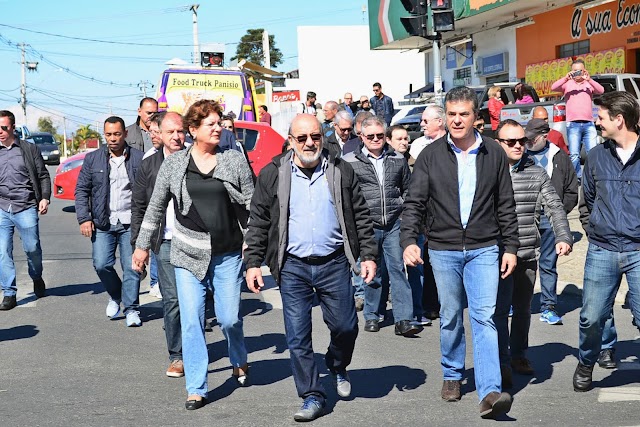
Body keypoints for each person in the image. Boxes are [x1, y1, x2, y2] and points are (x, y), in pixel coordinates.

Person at [244, 114, 377, 422]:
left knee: (346, 327)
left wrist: (368, 255)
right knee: (297, 337)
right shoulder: (273, 173)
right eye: (301, 138)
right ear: (290, 140)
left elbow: (360, 216)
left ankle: (336, 363)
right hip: (292, 267)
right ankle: (312, 395)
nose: (309, 143)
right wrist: (253, 263)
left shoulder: (340, 171)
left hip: (333, 263)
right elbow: (259, 220)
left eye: (315, 136)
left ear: (323, 137)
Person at [401, 86, 519, 419]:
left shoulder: (493, 153)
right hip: (443, 247)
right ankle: (453, 374)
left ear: (476, 116)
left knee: (484, 317)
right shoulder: (430, 155)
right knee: (451, 316)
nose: (456, 120)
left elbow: (505, 205)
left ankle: (490, 391)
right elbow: (415, 203)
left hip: (484, 247)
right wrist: (409, 240)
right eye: (451, 114)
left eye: (463, 114)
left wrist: (510, 246)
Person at [132, 100, 254, 410]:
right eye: (211, 124)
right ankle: (196, 387)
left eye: (219, 123)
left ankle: (238, 356)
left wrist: (253, 244)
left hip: (227, 254)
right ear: (193, 130)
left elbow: (253, 206)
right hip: (187, 253)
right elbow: (156, 207)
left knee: (228, 319)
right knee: (191, 320)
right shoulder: (174, 165)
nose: (217, 128)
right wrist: (142, 245)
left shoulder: (234, 161)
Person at [493, 119, 572, 388]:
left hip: (526, 252)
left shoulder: (537, 172)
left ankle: (518, 355)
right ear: (498, 143)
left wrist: (563, 235)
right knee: (499, 311)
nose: (518, 146)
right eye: (511, 142)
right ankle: (500, 361)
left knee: (523, 309)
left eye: (522, 141)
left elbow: (555, 206)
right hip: (495, 254)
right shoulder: (487, 171)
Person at [573, 91, 640, 392]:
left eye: (600, 118)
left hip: (638, 250)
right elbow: (586, 202)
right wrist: (595, 232)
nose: (596, 122)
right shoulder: (597, 156)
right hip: (602, 248)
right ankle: (586, 363)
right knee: (591, 317)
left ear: (619, 120)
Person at [343, 116, 420, 336]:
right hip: (367, 225)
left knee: (398, 269)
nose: (376, 139)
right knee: (372, 272)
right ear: (362, 137)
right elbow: (345, 195)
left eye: (379, 135)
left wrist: (406, 216)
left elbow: (407, 189)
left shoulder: (397, 157)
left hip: (395, 223)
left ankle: (404, 318)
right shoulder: (349, 161)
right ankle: (372, 314)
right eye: (371, 136)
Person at [131, 112, 186, 378]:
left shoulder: (196, 160)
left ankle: (195, 347)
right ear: (159, 136)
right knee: (173, 300)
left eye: (181, 131)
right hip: (165, 242)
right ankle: (177, 355)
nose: (177, 137)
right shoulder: (149, 165)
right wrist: (138, 246)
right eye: (171, 132)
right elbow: (140, 207)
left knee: (196, 301)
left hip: (197, 242)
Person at [75, 116, 144, 327]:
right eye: (108, 134)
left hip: (129, 222)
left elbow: (147, 191)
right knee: (101, 264)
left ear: (124, 134)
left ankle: (132, 309)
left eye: (116, 134)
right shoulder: (93, 159)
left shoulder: (139, 158)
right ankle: (116, 296)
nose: (112, 139)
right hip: (103, 222)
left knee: (131, 267)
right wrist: (84, 218)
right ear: (104, 135)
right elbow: (82, 190)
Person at [524, 118, 578, 325]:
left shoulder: (560, 157)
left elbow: (572, 190)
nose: (527, 143)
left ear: (544, 136)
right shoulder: (521, 155)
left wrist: (559, 213)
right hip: (525, 219)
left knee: (548, 264)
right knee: (521, 264)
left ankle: (548, 306)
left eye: (532, 139)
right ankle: (516, 303)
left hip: (549, 221)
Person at [0, 110, 51, 310]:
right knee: (2, 251)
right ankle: (9, 293)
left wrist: (45, 198)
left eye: (4, 127)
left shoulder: (28, 149)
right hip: (2, 207)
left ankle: (36, 277)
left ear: (13, 127)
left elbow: (43, 175)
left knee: (32, 249)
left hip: (26, 206)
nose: (1, 132)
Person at [551, 59, 604, 180]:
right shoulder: (567, 84)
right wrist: (565, 78)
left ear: (584, 70)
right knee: (574, 154)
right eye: (574, 71)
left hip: (589, 123)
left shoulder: (588, 83)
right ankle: (577, 178)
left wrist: (589, 79)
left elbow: (601, 90)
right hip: (573, 124)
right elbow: (553, 87)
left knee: (592, 152)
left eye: (579, 71)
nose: (577, 73)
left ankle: (593, 177)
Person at [145, 111, 167, 300]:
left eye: (155, 131)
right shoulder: (149, 159)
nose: (152, 135)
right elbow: (141, 201)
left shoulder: (189, 154)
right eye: (150, 131)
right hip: (159, 227)